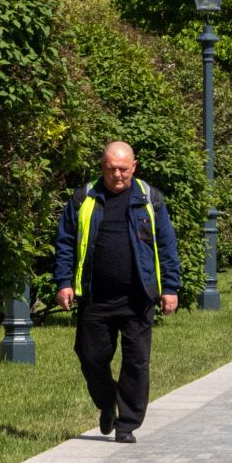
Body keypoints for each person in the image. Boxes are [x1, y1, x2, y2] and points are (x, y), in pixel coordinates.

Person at [53, 140, 181, 443]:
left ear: (134, 167)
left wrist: (170, 288)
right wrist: (64, 282)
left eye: (123, 169)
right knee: (90, 357)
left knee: (136, 361)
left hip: (137, 296)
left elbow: (166, 245)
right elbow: (65, 243)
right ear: (102, 167)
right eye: (111, 169)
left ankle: (127, 424)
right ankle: (107, 401)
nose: (118, 175)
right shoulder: (84, 198)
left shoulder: (150, 199)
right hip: (96, 296)